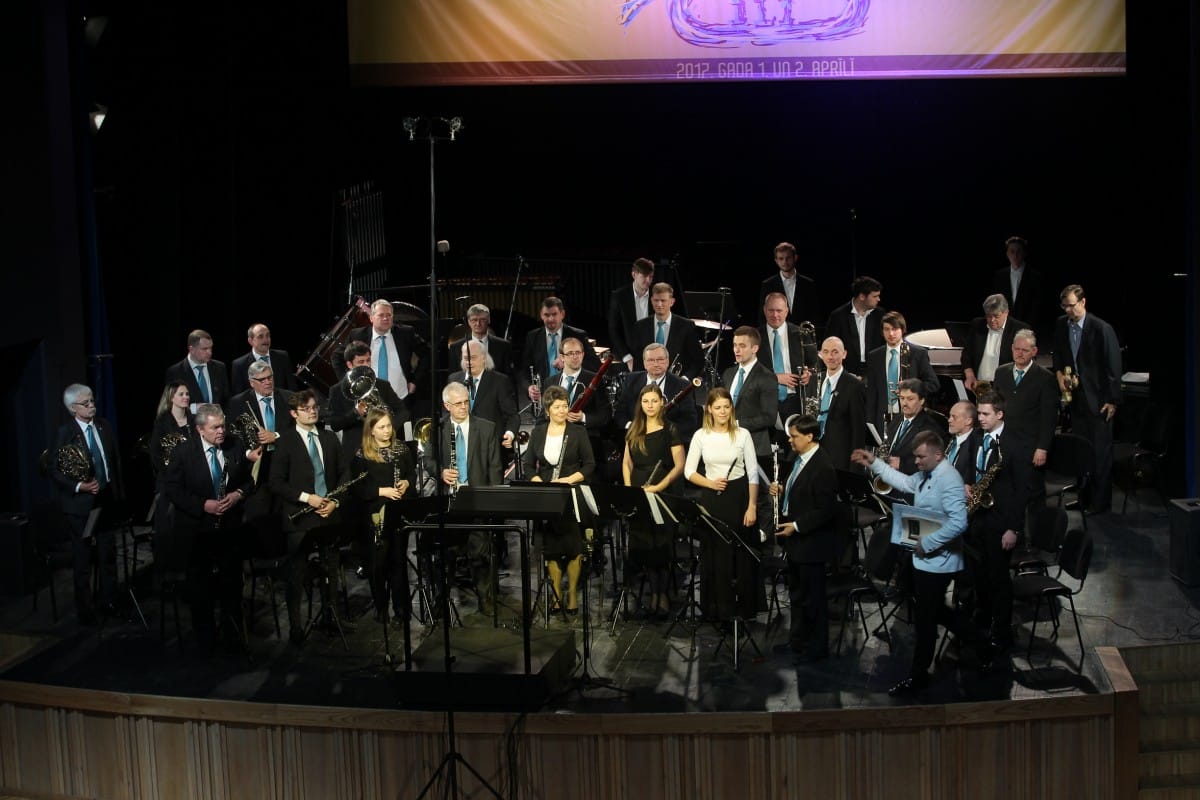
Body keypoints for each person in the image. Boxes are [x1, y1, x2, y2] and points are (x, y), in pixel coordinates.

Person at [851, 431, 968, 696]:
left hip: (938, 563)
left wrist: (929, 543)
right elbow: (904, 482)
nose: (916, 461)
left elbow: (959, 522)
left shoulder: (949, 480)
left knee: (926, 621)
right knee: (935, 612)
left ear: (938, 455)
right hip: (924, 560)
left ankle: (918, 676)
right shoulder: (927, 473)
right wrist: (874, 463)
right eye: (915, 456)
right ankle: (980, 642)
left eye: (920, 457)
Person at [162, 403, 253, 651]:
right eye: (215, 428)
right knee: (201, 588)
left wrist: (238, 494)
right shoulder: (183, 453)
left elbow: (249, 480)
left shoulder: (234, 445)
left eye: (222, 426)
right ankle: (206, 640)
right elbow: (172, 490)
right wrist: (203, 505)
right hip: (197, 532)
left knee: (231, 585)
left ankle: (233, 636)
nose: (221, 431)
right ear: (200, 429)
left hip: (229, 529)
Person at [268, 390, 354, 646]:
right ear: (294, 413)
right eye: (306, 408)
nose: (313, 411)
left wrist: (335, 502)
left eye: (314, 407)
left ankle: (332, 616)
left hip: (328, 513)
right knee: (297, 574)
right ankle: (296, 627)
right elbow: (276, 482)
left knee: (331, 569)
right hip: (300, 518)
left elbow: (344, 473)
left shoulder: (328, 437)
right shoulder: (286, 441)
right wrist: (308, 498)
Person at [422, 383, 505, 613]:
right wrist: (441, 472)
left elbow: (495, 468)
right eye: (458, 403)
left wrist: (493, 501)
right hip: (449, 500)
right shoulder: (438, 429)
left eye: (466, 402)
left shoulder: (487, 428)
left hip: (477, 500)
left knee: (480, 553)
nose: (463, 407)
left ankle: (486, 599)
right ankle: (441, 602)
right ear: (446, 406)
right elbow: (428, 459)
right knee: (445, 555)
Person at [684, 387, 762, 623]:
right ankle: (717, 609)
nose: (723, 411)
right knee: (716, 554)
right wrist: (710, 483)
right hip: (712, 499)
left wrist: (752, 506)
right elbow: (689, 471)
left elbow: (753, 473)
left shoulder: (743, 434)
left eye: (726, 407)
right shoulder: (701, 435)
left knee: (740, 554)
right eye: (718, 407)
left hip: (739, 498)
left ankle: (743, 608)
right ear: (709, 409)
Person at [49, 384, 124, 625]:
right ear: (73, 408)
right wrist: (79, 486)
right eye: (86, 403)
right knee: (82, 559)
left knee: (107, 553)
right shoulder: (65, 433)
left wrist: (118, 494)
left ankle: (109, 601)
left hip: (105, 500)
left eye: (92, 401)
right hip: (80, 505)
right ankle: (85, 609)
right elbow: (53, 469)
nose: (92, 406)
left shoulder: (104, 426)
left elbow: (114, 462)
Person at [967, 391, 1032, 657]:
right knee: (979, 574)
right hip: (978, 517)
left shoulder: (1015, 444)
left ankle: (1002, 630)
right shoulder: (977, 438)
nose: (980, 418)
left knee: (998, 578)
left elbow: (1023, 490)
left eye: (985, 414)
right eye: (979, 413)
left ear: (1000, 414)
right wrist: (968, 485)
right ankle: (983, 619)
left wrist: (1013, 528)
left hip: (1001, 520)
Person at [769, 414, 838, 663]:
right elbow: (798, 490)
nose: (790, 440)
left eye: (795, 436)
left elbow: (825, 510)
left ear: (810, 437)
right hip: (797, 542)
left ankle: (816, 648)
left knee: (813, 599)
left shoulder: (823, 467)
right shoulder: (799, 459)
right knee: (797, 596)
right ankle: (797, 641)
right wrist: (781, 489)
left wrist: (797, 526)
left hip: (811, 544)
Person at [522, 384, 596, 615]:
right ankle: (555, 594)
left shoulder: (578, 432)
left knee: (574, 547)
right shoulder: (538, 432)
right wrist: (537, 482)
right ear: (548, 410)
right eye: (557, 407)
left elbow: (589, 464)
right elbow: (527, 464)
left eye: (565, 406)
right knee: (551, 548)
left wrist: (569, 480)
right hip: (546, 495)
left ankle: (572, 593)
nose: (563, 411)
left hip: (572, 493)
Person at [1052, 284, 1122, 513]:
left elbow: (1113, 366)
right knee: (1081, 451)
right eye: (1064, 306)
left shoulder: (1101, 328)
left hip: (1099, 400)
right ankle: (1083, 498)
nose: (1067, 310)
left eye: (1071, 306)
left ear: (1082, 302)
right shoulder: (1061, 325)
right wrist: (1060, 376)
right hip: (1077, 399)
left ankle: (1100, 503)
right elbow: (1059, 356)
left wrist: (1112, 400)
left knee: (1100, 454)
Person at [621, 383, 685, 621]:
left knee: (661, 546)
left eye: (654, 401)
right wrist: (630, 489)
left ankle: (662, 595)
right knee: (645, 546)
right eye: (646, 401)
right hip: (639, 490)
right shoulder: (634, 428)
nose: (650, 405)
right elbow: (627, 463)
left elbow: (679, 465)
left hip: (662, 490)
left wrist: (659, 487)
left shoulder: (670, 429)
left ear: (661, 403)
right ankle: (651, 595)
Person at [352, 407, 416, 623]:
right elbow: (357, 488)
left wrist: (406, 482)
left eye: (388, 426)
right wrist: (382, 491)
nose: (387, 430)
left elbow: (411, 474)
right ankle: (381, 608)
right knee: (378, 565)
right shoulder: (362, 455)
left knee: (398, 562)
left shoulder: (401, 449)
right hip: (375, 516)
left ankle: (401, 610)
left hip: (397, 513)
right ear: (371, 430)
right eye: (381, 427)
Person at [992, 329, 1058, 495]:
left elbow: (1049, 418)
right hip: (1004, 443)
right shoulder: (1001, 372)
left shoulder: (1045, 378)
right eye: (1017, 349)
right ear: (1012, 348)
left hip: (1030, 447)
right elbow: (995, 407)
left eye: (1025, 350)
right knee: (1005, 490)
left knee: (1031, 492)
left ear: (1034, 351)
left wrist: (1042, 448)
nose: (1019, 353)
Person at [326, 340, 407, 466]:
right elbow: (335, 424)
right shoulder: (337, 390)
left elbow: (403, 411)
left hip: (384, 449)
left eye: (368, 360)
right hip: (355, 453)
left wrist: (387, 428)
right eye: (361, 362)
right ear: (349, 364)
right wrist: (355, 413)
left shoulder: (382, 385)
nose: (367, 365)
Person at [863, 311, 940, 443]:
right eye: (887, 329)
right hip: (882, 419)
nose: (891, 333)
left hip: (910, 417)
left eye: (895, 329)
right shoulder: (874, 356)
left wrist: (912, 387)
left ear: (903, 330)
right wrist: (870, 422)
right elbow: (871, 393)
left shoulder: (918, 354)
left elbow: (933, 384)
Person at [347, 298, 429, 413]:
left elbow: (427, 354)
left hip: (401, 399)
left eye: (389, 315)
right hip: (367, 402)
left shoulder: (406, 333)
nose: (386, 318)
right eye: (381, 315)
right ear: (371, 318)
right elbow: (338, 357)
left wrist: (415, 381)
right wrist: (349, 381)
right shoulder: (357, 335)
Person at [520, 296, 600, 410]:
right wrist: (529, 387)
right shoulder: (532, 337)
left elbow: (595, 365)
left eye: (554, 314)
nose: (550, 319)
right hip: (545, 400)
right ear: (541, 315)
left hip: (573, 397)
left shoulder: (578, 335)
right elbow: (524, 369)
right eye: (546, 315)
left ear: (562, 314)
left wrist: (568, 363)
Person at [614, 343, 699, 445]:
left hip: (668, 442)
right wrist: (632, 427)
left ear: (667, 361)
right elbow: (620, 413)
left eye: (660, 359)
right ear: (644, 363)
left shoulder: (682, 385)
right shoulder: (631, 380)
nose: (656, 364)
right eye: (651, 360)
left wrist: (665, 432)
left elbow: (690, 421)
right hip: (636, 439)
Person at [760, 291, 819, 428]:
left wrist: (809, 375)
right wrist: (774, 378)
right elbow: (749, 371)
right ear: (764, 310)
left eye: (779, 310)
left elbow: (815, 366)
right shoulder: (756, 336)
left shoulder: (801, 334)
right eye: (771, 310)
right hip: (764, 401)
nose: (775, 315)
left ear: (786, 311)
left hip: (795, 401)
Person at [448, 339, 519, 451]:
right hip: (461, 444)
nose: (469, 362)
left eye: (473, 358)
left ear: (484, 357)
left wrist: (509, 434)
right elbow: (448, 410)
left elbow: (512, 415)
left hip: (491, 446)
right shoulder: (454, 379)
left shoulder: (500, 381)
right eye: (466, 358)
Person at [721, 326, 779, 458]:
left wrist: (736, 424)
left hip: (753, 448)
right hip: (727, 446)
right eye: (735, 345)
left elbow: (769, 417)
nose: (736, 350)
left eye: (742, 346)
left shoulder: (767, 377)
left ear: (755, 348)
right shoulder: (728, 374)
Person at [810, 336, 865, 470]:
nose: (830, 357)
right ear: (820, 354)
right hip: (814, 453)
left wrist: (855, 467)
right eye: (826, 352)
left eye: (835, 352)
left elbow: (858, 431)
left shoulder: (854, 385)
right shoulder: (813, 380)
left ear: (844, 354)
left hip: (840, 457)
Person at [148, 381, 194, 537]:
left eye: (187, 394)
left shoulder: (194, 420)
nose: (186, 397)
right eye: (181, 394)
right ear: (171, 397)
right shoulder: (162, 422)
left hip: (192, 480)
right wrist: (172, 473)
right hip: (170, 481)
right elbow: (155, 454)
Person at [960, 295, 1030, 395]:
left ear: (1006, 312)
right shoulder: (977, 325)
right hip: (979, 386)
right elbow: (966, 355)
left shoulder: (1020, 329)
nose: (992, 320)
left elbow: (1024, 361)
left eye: (996, 316)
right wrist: (970, 375)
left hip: (1007, 388)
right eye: (988, 316)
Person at [633, 282, 704, 379]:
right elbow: (638, 361)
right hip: (648, 383)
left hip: (678, 383)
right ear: (651, 300)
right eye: (656, 300)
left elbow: (698, 361)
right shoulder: (640, 326)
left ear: (672, 302)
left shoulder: (687, 326)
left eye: (663, 300)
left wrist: (685, 379)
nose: (659, 304)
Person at [879, 378, 947, 477]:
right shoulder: (897, 419)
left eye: (910, 399)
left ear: (922, 400)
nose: (904, 403)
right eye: (902, 398)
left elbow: (933, 460)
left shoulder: (931, 428)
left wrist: (902, 464)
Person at [824, 276, 885, 377]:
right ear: (862, 296)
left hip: (874, 372)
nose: (878, 299)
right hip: (847, 374)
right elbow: (830, 346)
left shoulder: (880, 315)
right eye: (875, 296)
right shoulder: (838, 316)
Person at [164, 329, 230, 411]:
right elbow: (170, 405)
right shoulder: (175, 372)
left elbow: (226, 400)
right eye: (204, 349)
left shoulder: (220, 367)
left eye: (211, 348)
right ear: (191, 349)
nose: (209, 352)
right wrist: (194, 408)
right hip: (190, 419)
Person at [991, 235, 1045, 336]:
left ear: (1024, 253)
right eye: (1012, 252)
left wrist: (1027, 328)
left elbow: (1037, 306)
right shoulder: (1000, 276)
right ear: (1007, 254)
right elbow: (997, 303)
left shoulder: (1035, 276)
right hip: (1005, 329)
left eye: (1019, 251)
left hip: (1028, 329)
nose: (1015, 255)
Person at [608, 257, 655, 372]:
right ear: (634, 274)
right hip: (628, 355)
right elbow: (613, 329)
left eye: (651, 277)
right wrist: (626, 356)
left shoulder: (657, 296)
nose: (648, 280)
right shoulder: (619, 296)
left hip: (653, 354)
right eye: (644, 276)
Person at [447, 303, 514, 377]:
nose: (478, 324)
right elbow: (453, 378)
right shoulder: (455, 348)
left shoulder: (504, 346)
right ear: (469, 322)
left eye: (482, 319)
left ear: (489, 320)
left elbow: (509, 377)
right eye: (474, 320)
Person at [757, 241, 816, 327]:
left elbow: (814, 313)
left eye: (788, 258)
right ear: (776, 261)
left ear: (795, 258)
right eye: (781, 258)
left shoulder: (808, 284)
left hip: (803, 332)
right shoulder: (768, 285)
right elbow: (762, 315)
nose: (785, 262)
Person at [231, 323, 297, 395]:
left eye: (268, 336)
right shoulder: (239, 364)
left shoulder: (282, 356)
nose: (265, 340)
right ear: (250, 341)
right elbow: (239, 395)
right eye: (260, 336)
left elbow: (292, 386)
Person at [945, 400, 981, 485]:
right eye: (950, 416)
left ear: (968, 421)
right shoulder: (950, 440)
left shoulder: (977, 446)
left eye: (954, 417)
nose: (949, 420)